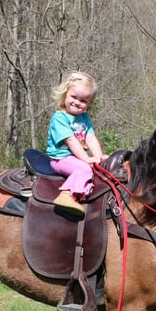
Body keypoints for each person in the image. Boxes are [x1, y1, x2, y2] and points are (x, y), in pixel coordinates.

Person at [46, 71, 106, 217]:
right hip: (60, 159)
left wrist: (99, 157)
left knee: (99, 169)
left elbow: (90, 138)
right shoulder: (59, 117)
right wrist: (86, 159)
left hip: (75, 158)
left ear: (89, 103)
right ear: (65, 94)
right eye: (73, 97)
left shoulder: (85, 118)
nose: (77, 102)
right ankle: (67, 195)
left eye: (84, 100)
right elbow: (70, 140)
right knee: (85, 169)